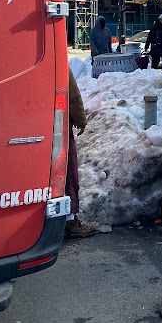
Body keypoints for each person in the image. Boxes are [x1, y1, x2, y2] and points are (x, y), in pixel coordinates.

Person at [65, 67, 97, 238]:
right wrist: (80, 120)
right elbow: (72, 93)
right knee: (67, 172)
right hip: (57, 126)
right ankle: (69, 221)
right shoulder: (54, 55)